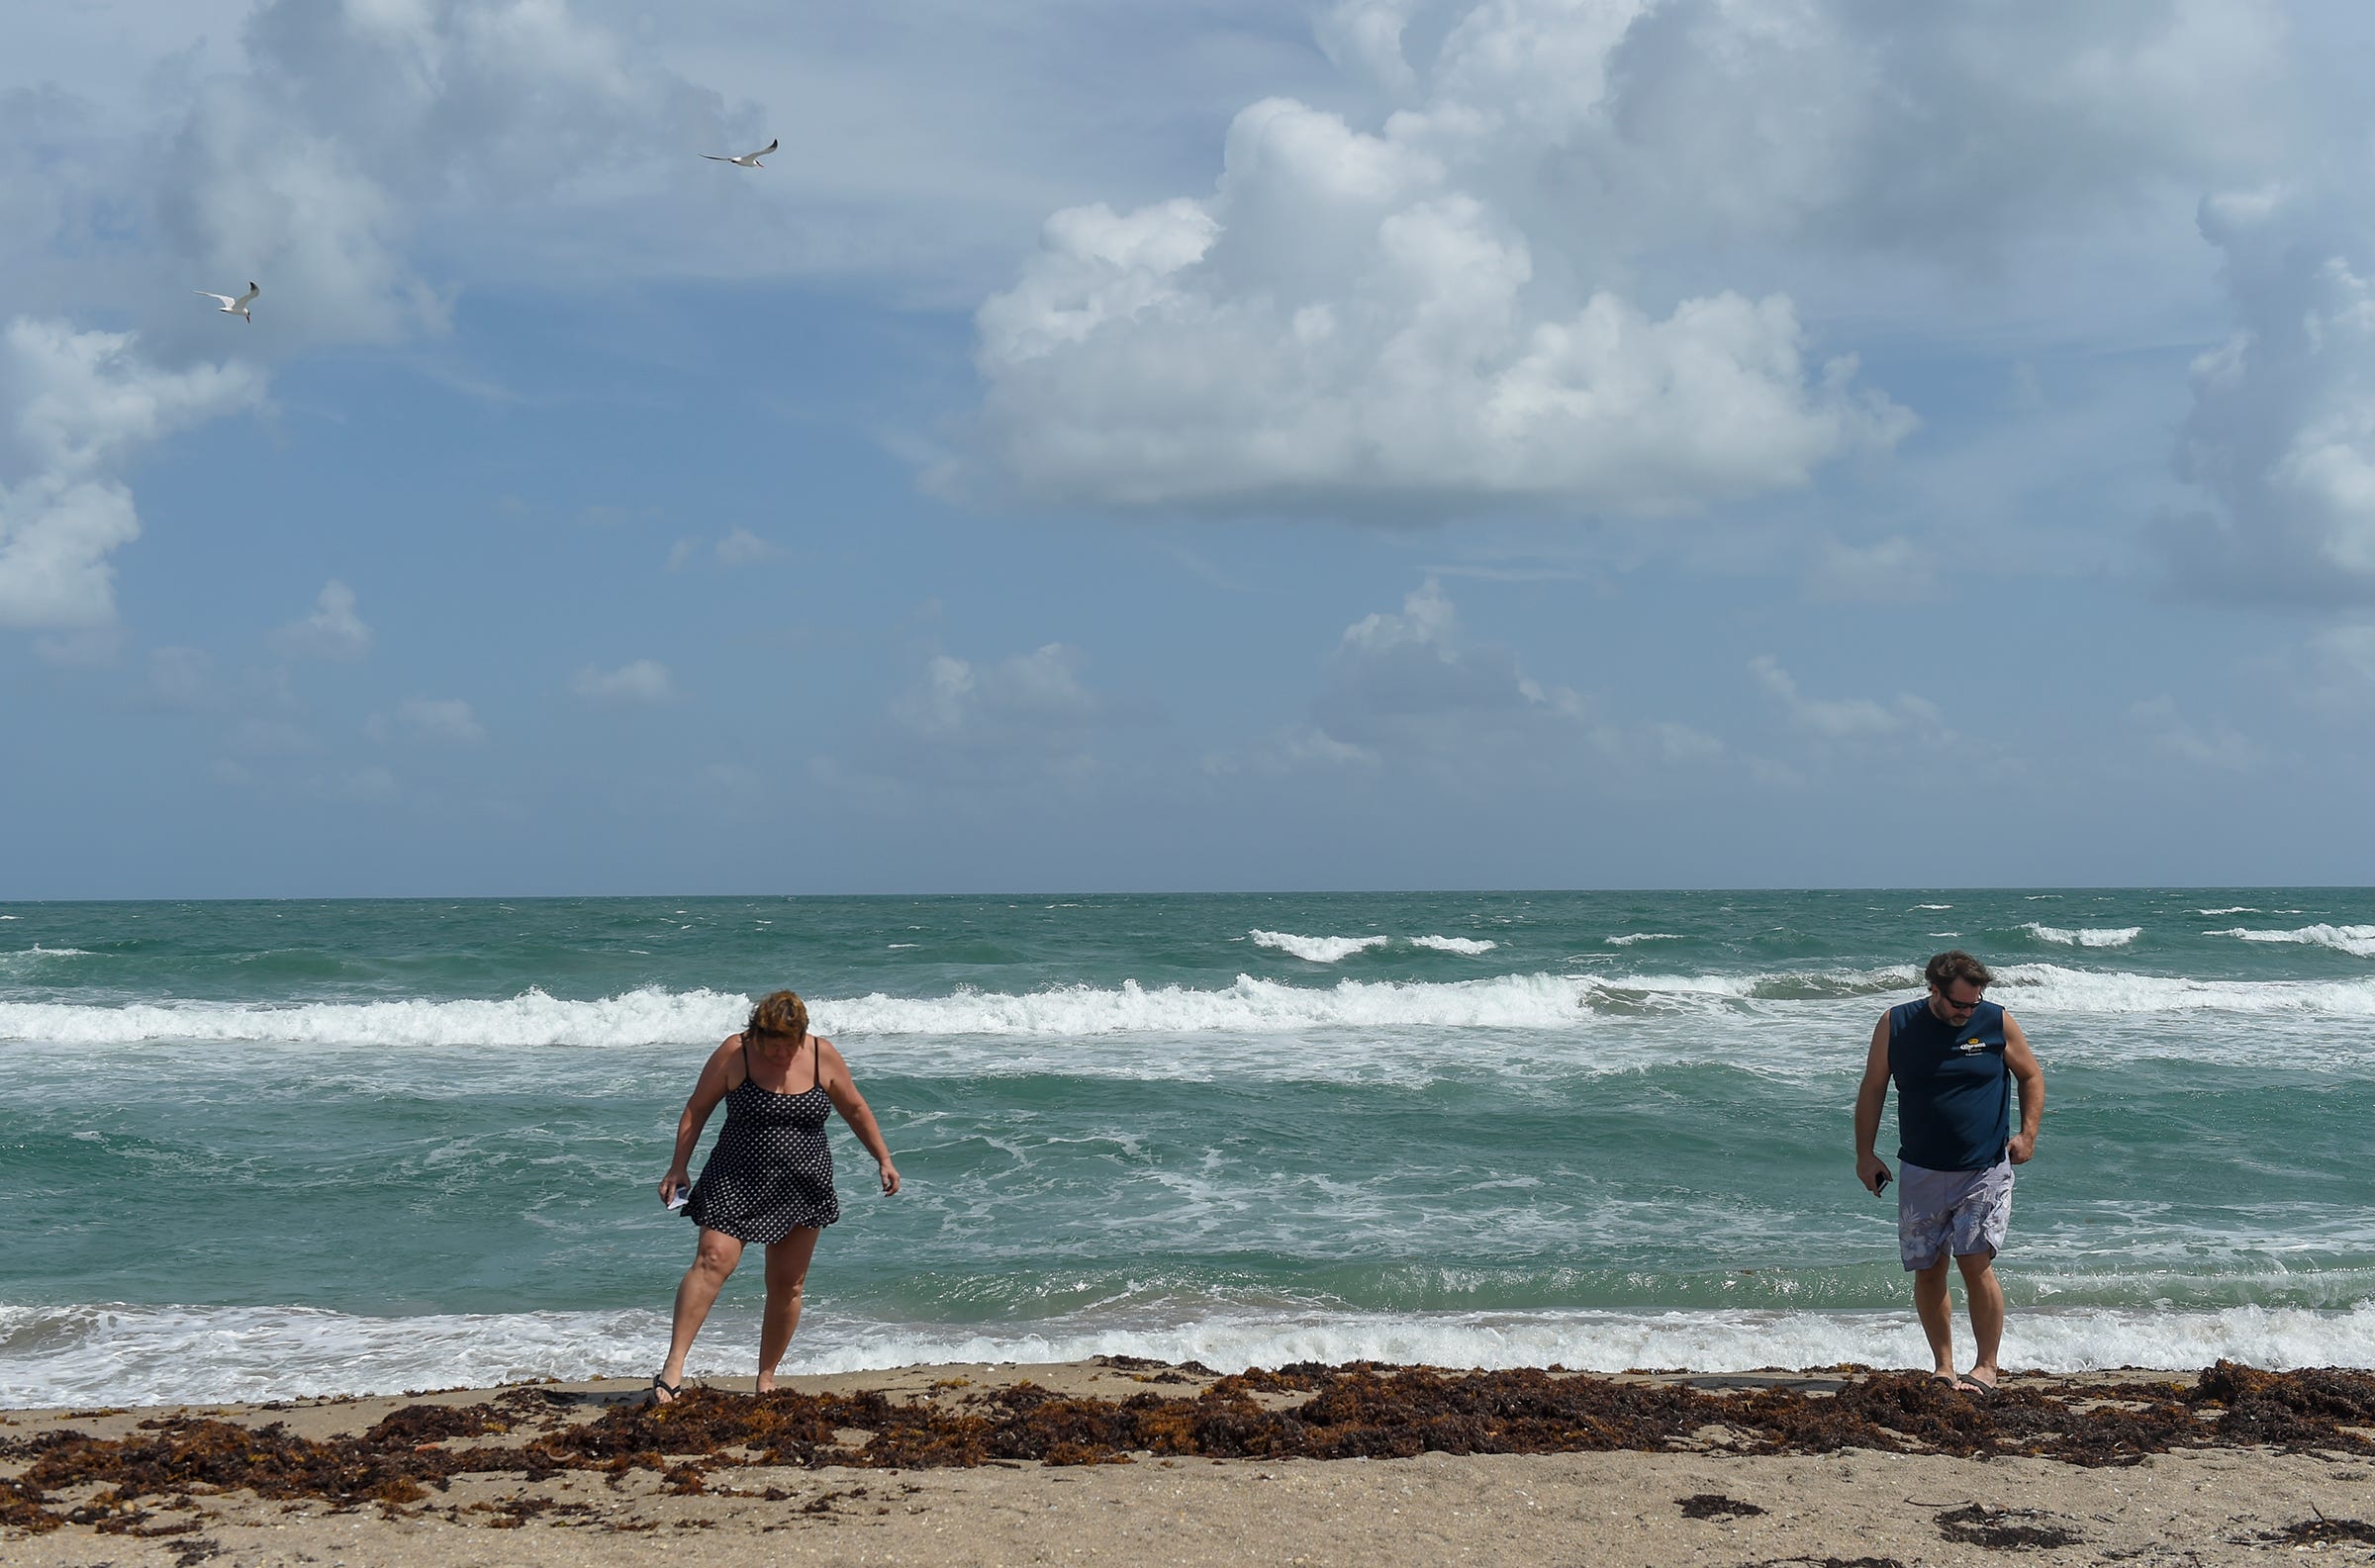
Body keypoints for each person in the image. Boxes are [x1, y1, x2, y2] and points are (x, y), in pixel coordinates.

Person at [651, 989, 900, 1404]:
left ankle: (766, 1377)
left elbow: (854, 1108)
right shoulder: (737, 1053)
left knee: (787, 1283)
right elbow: (697, 1109)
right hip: (735, 1176)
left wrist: (883, 1158)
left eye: (791, 1045)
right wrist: (678, 1165)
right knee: (713, 1260)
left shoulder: (822, 1055)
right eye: (774, 1047)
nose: (783, 1055)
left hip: (802, 1183)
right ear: (756, 1034)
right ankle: (672, 1368)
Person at [1852, 950, 2042, 1396]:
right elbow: (1873, 1087)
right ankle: (1943, 1366)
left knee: (1975, 1262)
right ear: (1933, 990)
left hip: (1984, 1169)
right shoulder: (1895, 1025)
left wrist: (2028, 1135)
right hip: (1920, 1169)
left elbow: (2031, 1076)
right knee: (1929, 1269)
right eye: (1959, 1004)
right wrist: (1865, 1155)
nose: (1967, 1012)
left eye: (1973, 1004)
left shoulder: (1995, 1022)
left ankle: (1987, 1368)